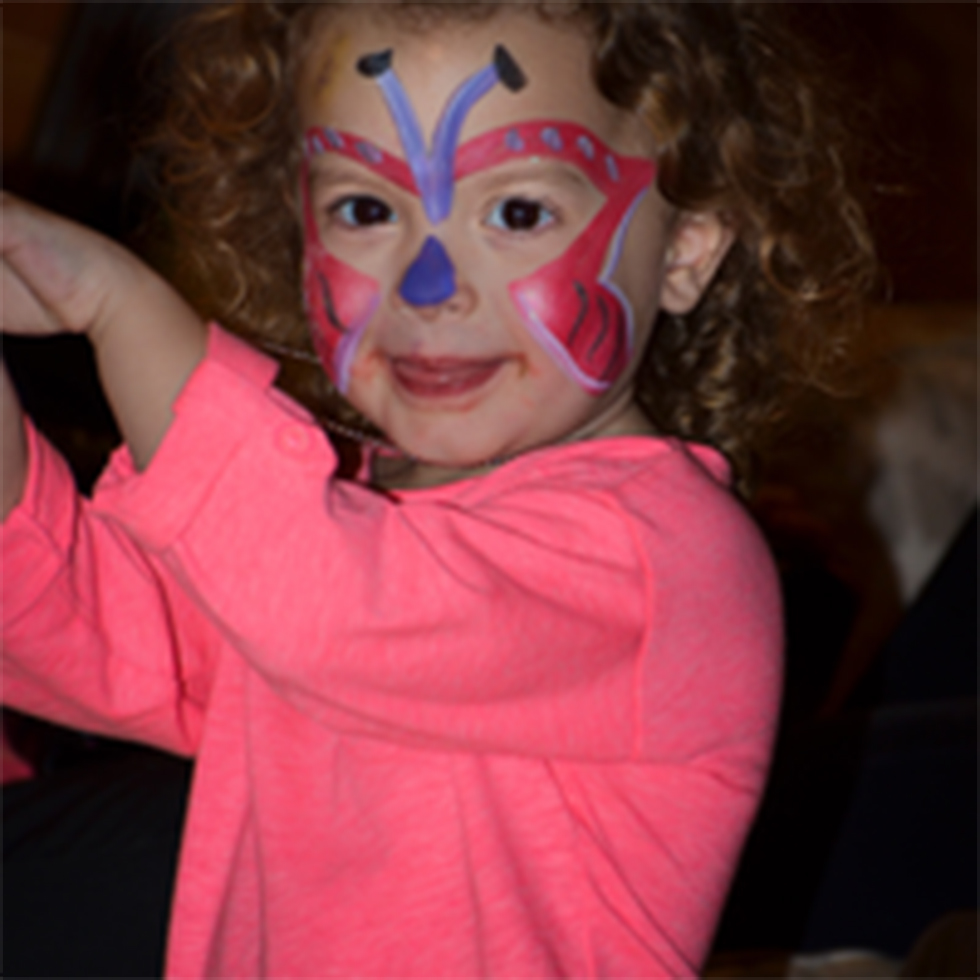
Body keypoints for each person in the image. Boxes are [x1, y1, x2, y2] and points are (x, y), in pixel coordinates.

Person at [1, 1, 875, 976]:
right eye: (365, 210)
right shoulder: (347, 526)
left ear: (685, 250)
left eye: (517, 213)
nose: (428, 284)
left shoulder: (658, 556)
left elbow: (319, 601)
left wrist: (118, 305)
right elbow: (116, 643)